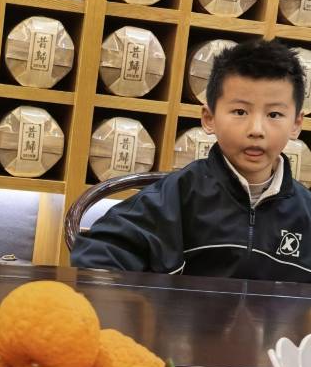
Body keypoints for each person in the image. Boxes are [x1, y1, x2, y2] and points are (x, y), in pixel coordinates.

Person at [71, 39, 311, 282]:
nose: (256, 130)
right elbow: (98, 254)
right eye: (240, 112)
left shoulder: (306, 212)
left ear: (296, 124)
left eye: (274, 114)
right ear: (209, 118)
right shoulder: (177, 195)